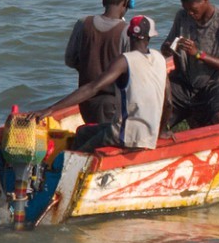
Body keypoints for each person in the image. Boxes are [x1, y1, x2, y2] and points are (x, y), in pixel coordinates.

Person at [32, 16, 169, 152]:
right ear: (150, 37)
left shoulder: (125, 60)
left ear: (128, 34)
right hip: (149, 134)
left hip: (125, 135)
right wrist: (160, 131)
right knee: (82, 132)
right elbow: (168, 101)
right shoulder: (160, 59)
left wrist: (51, 109)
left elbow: (93, 88)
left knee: (79, 153)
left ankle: (68, 166)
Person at [160, 0, 219, 129]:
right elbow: (166, 49)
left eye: (193, 10)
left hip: (210, 85)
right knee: (157, 120)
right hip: (181, 83)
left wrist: (198, 54)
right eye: (186, 9)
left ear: (205, 1)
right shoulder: (181, 16)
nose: (190, 13)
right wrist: (168, 48)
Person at [64, 0, 131, 124]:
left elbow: (70, 60)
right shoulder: (126, 31)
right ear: (125, 4)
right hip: (111, 105)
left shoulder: (83, 23)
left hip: (85, 104)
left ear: (103, 1)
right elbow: (132, 72)